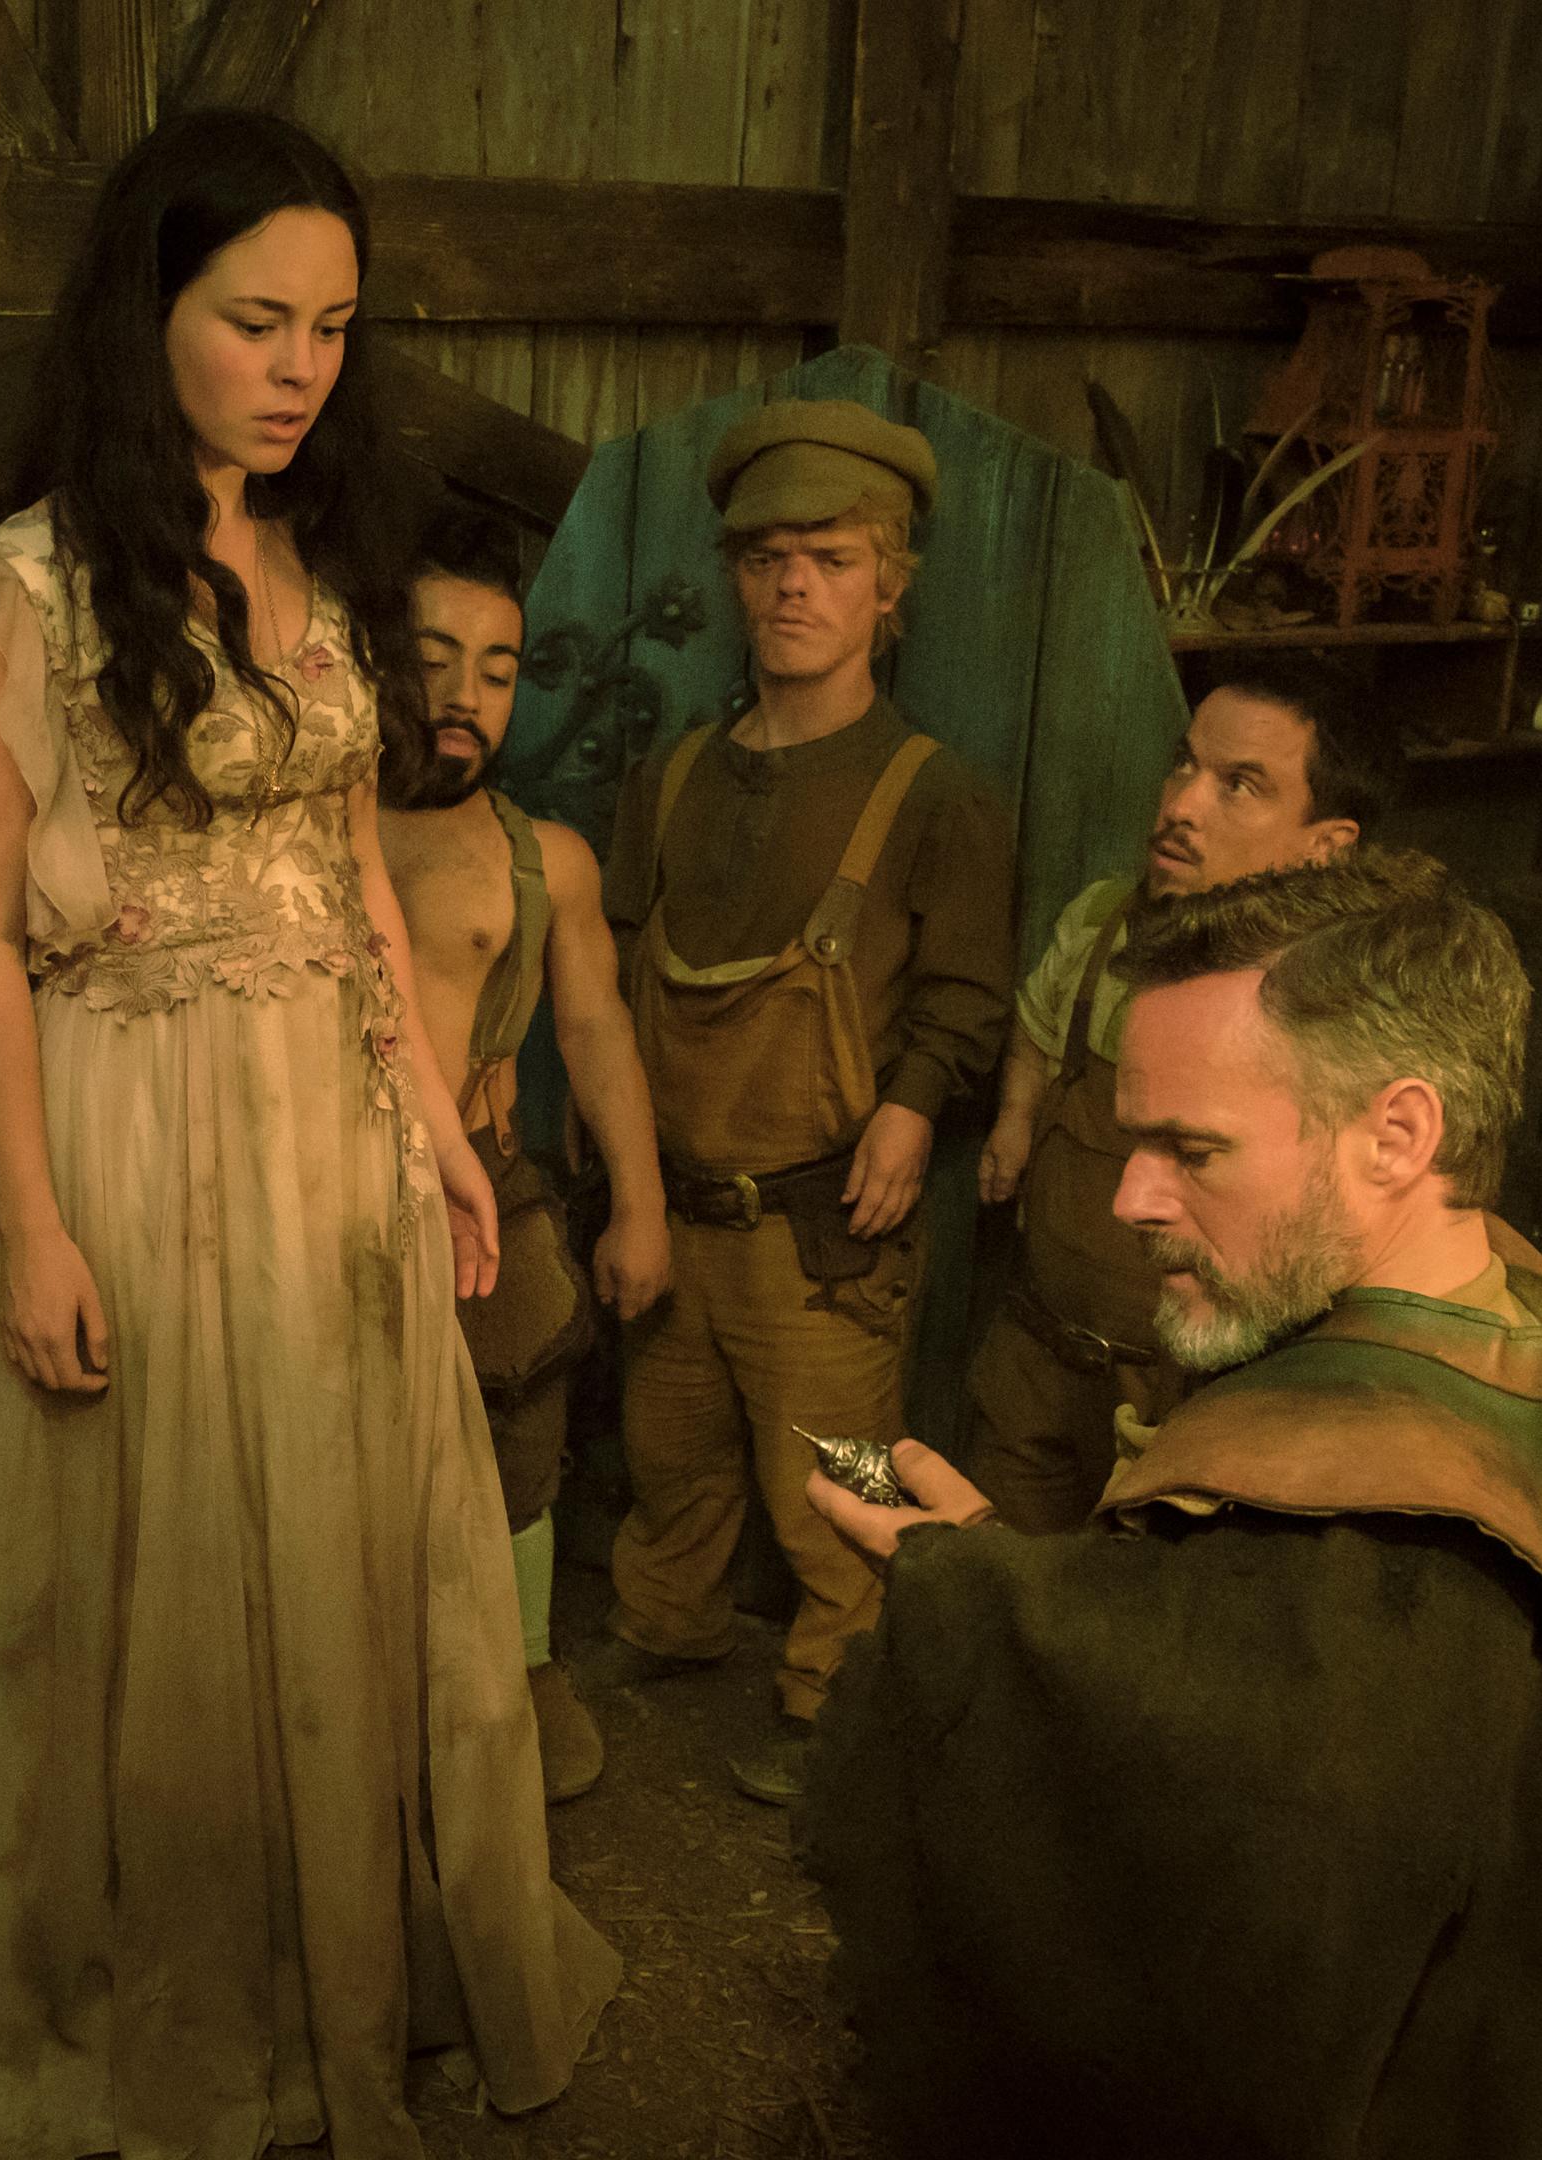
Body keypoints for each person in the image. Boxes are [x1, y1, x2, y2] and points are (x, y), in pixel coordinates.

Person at [0, 106, 617, 2160]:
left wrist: (442, 1122)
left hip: (334, 1117)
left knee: (348, 1540)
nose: (302, 367)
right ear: (147, 314)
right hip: (133, 1124)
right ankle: (175, 2008)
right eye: (255, 321)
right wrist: (34, 1224)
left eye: (333, 326)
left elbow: (356, 873)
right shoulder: (12, 593)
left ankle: (352, 1975)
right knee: (163, 1567)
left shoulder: (313, 560)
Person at [800, 849, 1542, 2159]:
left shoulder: (1377, 1548)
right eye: (1133, 1137)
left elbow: (1212, 1968)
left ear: (1399, 1135)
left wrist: (963, 1601)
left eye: (1193, 1148)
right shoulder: (1503, 1311)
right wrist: (998, 1555)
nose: (1131, 1197)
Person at [594, 399, 1018, 1805]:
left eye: (832, 559)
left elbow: (968, 997)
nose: (794, 586)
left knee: (842, 1484)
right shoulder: (671, 780)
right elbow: (609, 981)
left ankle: (839, 1698)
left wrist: (914, 1105)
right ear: (733, 577)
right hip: (675, 1207)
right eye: (766, 557)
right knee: (670, 1452)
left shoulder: (936, 795)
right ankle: (667, 1621)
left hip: (821, 1233)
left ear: (890, 588)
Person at [965, 657, 1398, 1531]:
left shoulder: (1348, 1010)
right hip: (1040, 1358)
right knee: (996, 1570)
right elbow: (1038, 1029)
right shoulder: (1102, 926)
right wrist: (1015, 1119)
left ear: (1326, 844)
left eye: (1240, 785)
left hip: (1194, 1402)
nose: (1182, 805)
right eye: (1184, 764)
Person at [378, 506, 668, 1803]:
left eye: (497, 673)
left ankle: (527, 1672)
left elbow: (597, 1033)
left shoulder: (543, 862)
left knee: (515, 1440)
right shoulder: (301, 841)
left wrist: (641, 1207)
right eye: (434, 659)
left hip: (488, 1195)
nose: (465, 696)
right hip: (323, 1199)